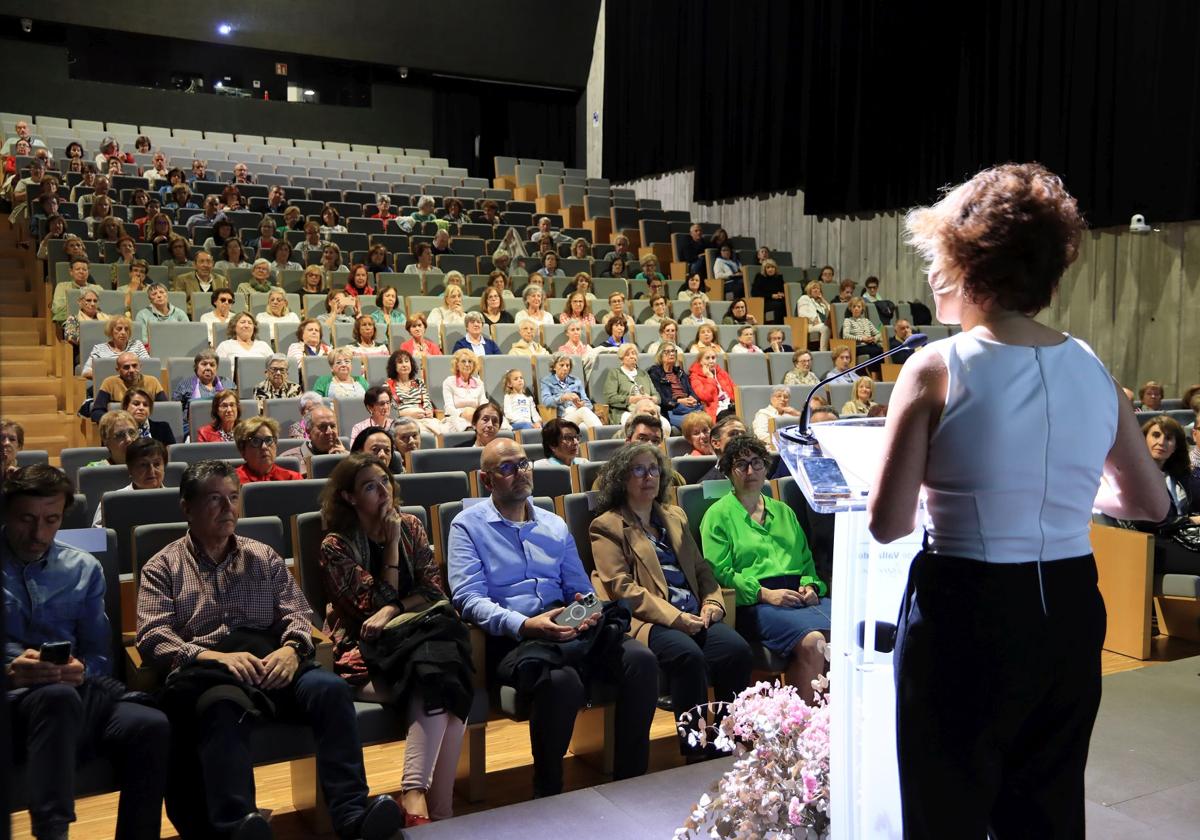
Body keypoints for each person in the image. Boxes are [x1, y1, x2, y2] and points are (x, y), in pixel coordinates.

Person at [866, 163, 1170, 838]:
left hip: (965, 611)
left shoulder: (938, 367)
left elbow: (887, 524)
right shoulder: (1093, 366)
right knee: (1047, 813)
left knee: (946, 811)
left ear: (965, 260)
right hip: (1067, 608)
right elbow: (1150, 503)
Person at [134, 460, 402, 839]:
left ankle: (352, 816)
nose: (228, 509)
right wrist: (216, 657)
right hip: (214, 674)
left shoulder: (262, 556)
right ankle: (238, 827)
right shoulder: (164, 566)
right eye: (215, 499)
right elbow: (152, 634)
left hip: (271, 662)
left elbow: (296, 614)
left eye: (233, 498)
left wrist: (292, 649)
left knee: (330, 690)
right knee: (222, 709)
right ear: (187, 507)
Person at [448, 439, 658, 797]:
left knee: (641, 661)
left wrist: (586, 611)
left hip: (567, 626)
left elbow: (579, 587)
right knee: (563, 684)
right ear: (487, 480)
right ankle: (549, 790)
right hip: (514, 637)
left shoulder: (553, 524)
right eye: (507, 468)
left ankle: (630, 779)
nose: (520, 473)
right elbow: (468, 599)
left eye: (524, 464)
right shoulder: (467, 526)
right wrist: (525, 624)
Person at [5, 464, 170, 840]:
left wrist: (81, 669)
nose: (38, 534)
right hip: (13, 701)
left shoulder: (83, 568)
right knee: (56, 699)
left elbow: (100, 655)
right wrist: (9, 669)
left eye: (51, 520)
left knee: (151, 724)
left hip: (75, 697)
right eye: (26, 520)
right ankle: (53, 832)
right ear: (6, 514)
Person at [318, 454, 470, 826]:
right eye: (370, 486)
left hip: (417, 645)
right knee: (443, 681)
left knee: (437, 676)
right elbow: (369, 607)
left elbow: (434, 591)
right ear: (350, 498)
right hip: (363, 655)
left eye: (385, 481)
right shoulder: (335, 547)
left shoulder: (412, 525)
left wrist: (393, 609)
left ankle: (420, 804)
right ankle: (433, 809)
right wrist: (390, 545)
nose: (383, 491)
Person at [590, 444, 752, 759]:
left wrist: (713, 602)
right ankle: (695, 748)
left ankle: (724, 739)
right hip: (649, 619)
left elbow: (702, 568)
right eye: (638, 469)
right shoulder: (607, 525)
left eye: (653, 469)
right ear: (622, 478)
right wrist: (674, 617)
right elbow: (622, 588)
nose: (648, 476)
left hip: (694, 611)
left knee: (737, 651)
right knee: (687, 656)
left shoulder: (674, 516)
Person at [700, 435, 829, 700]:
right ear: (727, 471)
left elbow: (806, 561)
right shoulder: (717, 515)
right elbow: (720, 573)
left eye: (757, 463)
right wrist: (764, 593)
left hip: (798, 598)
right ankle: (802, 732)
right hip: (754, 603)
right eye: (741, 464)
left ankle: (832, 727)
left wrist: (810, 585)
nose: (751, 471)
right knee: (814, 642)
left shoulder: (783, 511)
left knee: (848, 635)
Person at [92, 438, 169, 527]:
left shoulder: (176, 499)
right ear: (130, 470)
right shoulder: (113, 502)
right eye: (143, 465)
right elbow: (99, 536)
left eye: (157, 464)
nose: (151, 471)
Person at [91, 352, 166, 423]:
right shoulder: (109, 383)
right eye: (126, 367)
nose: (132, 370)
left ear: (140, 366)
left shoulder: (152, 382)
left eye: (134, 366)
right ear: (118, 370)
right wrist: (115, 422)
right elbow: (96, 412)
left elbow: (165, 409)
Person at [383, 349, 441, 437]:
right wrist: (406, 414)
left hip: (424, 418)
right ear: (394, 366)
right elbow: (389, 411)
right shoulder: (387, 386)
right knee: (424, 433)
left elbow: (427, 402)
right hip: (403, 421)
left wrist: (429, 411)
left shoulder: (419, 383)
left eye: (407, 361)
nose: (404, 365)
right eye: (400, 362)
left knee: (445, 429)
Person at [648, 342, 704, 430]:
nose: (672, 354)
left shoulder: (680, 372)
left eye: (673, 351)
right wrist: (679, 401)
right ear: (660, 356)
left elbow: (691, 391)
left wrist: (693, 398)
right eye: (667, 352)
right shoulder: (655, 373)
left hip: (689, 407)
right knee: (696, 423)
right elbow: (661, 399)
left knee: (706, 419)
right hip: (672, 410)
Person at [539, 353, 603, 430]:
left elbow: (588, 404)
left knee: (584, 426)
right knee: (584, 412)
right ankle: (603, 435)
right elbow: (546, 401)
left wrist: (580, 405)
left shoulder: (576, 381)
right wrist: (563, 397)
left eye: (567, 365)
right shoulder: (546, 381)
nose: (565, 368)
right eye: (561, 365)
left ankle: (601, 438)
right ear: (554, 367)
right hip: (561, 418)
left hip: (577, 414)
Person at [604, 344, 661, 429]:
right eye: (627, 355)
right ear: (621, 359)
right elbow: (610, 397)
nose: (631, 356)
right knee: (639, 426)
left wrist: (651, 398)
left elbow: (657, 396)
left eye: (633, 353)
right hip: (624, 411)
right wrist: (630, 399)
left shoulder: (643, 374)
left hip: (648, 410)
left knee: (666, 425)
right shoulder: (615, 373)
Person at [280, 405, 347, 474]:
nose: (329, 431)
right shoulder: (288, 462)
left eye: (333, 426)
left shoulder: (347, 457)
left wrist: (348, 461)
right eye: (322, 427)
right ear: (308, 431)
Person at [234, 416, 301, 483]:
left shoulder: (292, 479)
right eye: (255, 441)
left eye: (269, 440)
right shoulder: (232, 482)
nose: (264, 447)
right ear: (243, 450)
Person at [441, 349, 487, 433]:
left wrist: (477, 414)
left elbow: (483, 403)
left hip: (476, 416)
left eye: (470, 362)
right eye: (463, 361)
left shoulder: (479, 383)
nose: (467, 364)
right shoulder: (449, 382)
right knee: (463, 425)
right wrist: (462, 414)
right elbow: (448, 407)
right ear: (457, 365)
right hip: (457, 417)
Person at [52, 257, 104, 327]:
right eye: (77, 269)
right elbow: (57, 308)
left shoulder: (97, 288)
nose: (81, 272)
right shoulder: (62, 286)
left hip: (95, 320)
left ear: (88, 272)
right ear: (71, 272)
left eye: (84, 269)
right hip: (71, 320)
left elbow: (104, 307)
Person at [689, 348, 737, 421]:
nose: (711, 361)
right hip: (715, 410)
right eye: (707, 358)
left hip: (731, 405)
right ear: (700, 361)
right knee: (733, 418)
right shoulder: (695, 377)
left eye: (713, 358)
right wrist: (710, 378)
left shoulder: (721, 372)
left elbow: (735, 390)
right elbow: (706, 397)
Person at [840, 296, 883, 375]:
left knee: (882, 350)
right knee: (876, 351)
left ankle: (880, 375)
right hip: (857, 347)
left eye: (858, 307)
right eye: (854, 307)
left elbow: (878, 333)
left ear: (862, 309)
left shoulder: (866, 321)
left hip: (869, 345)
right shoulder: (848, 320)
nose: (856, 309)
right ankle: (874, 376)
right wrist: (862, 339)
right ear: (850, 308)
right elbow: (845, 336)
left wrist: (874, 338)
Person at [698, 416, 748, 482]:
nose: (741, 438)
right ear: (716, 443)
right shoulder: (707, 485)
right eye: (733, 434)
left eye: (743, 434)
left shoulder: (758, 473)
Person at [795, 280, 832, 350]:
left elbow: (832, 311)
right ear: (809, 290)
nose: (816, 290)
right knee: (825, 328)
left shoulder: (820, 303)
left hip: (821, 323)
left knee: (831, 327)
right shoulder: (804, 298)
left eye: (818, 288)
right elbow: (802, 313)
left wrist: (823, 300)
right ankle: (823, 351)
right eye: (814, 288)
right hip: (808, 324)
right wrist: (813, 318)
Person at [751, 258, 787, 324]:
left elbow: (783, 290)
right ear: (764, 269)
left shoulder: (779, 278)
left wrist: (782, 294)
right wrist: (772, 296)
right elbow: (755, 293)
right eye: (768, 267)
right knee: (779, 306)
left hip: (778, 300)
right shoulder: (760, 277)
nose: (770, 269)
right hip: (764, 301)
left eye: (772, 267)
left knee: (787, 304)